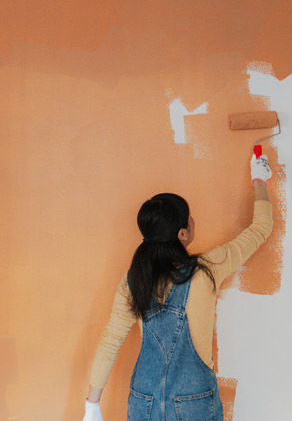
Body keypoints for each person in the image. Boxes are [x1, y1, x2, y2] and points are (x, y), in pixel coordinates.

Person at [82, 154, 274, 421]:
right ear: (182, 233)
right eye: (190, 218)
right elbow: (261, 228)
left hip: (144, 400)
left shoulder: (133, 280)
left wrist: (92, 405)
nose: (193, 221)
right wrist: (259, 178)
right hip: (194, 401)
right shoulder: (207, 269)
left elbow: (111, 342)